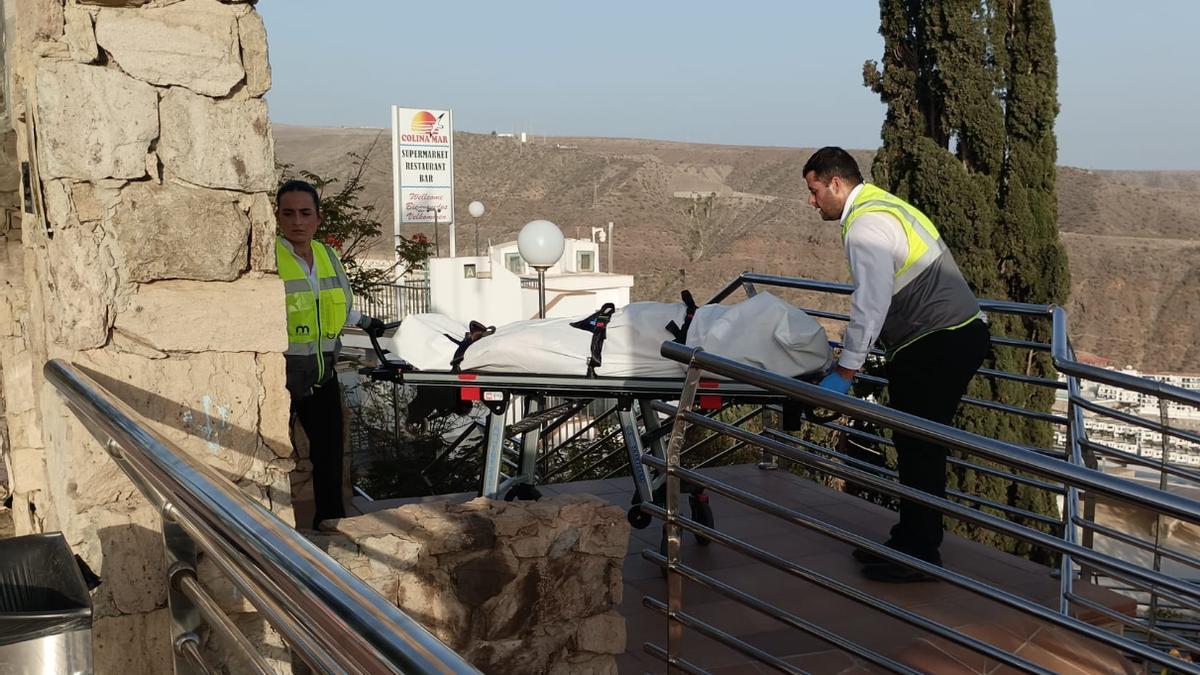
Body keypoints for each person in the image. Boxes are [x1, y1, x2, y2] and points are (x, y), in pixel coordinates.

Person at [803, 147, 991, 583]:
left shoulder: (866, 224)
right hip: (947, 336)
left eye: (814, 191)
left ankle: (921, 553)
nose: (812, 202)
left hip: (936, 341)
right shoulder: (883, 205)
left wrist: (845, 371)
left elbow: (870, 301)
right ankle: (910, 538)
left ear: (836, 183)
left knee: (920, 447)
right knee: (913, 445)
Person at [275, 179, 385, 529]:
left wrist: (366, 322)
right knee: (275, 456)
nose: (297, 221)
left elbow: (337, 304)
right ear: (277, 217)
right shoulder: (271, 255)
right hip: (281, 376)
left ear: (318, 219)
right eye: (288, 213)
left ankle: (331, 527)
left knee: (329, 455)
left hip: (323, 374)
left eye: (305, 213)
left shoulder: (326, 255)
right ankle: (275, 531)